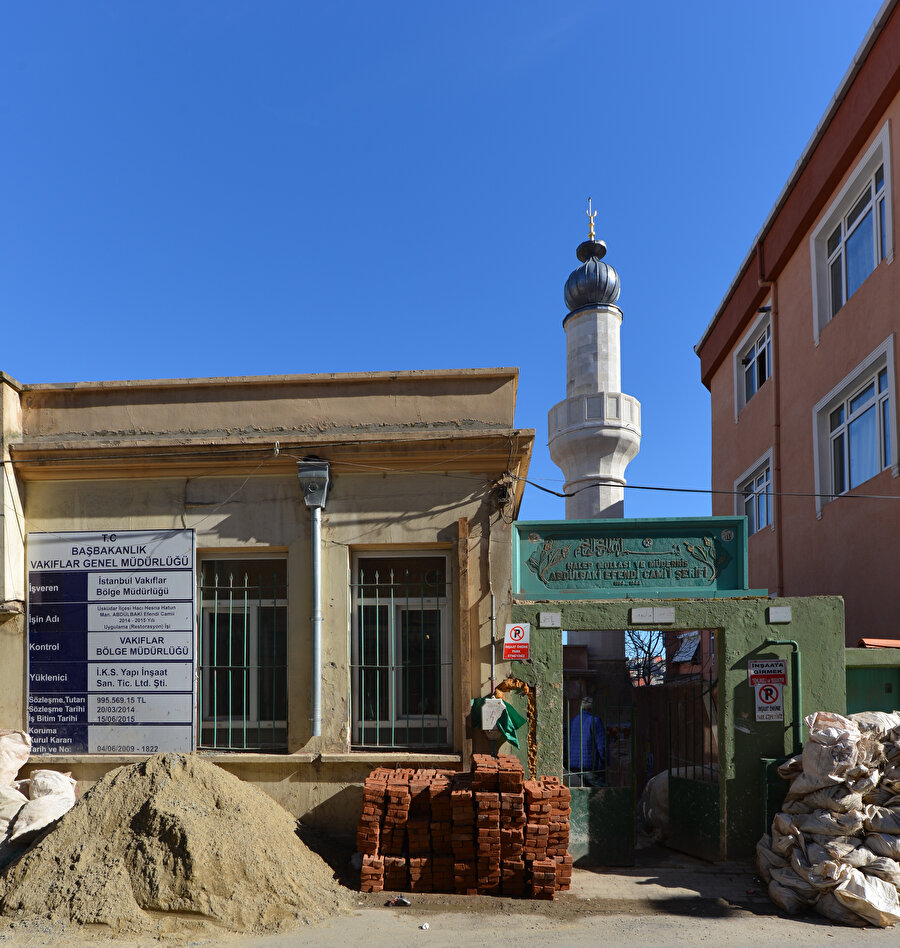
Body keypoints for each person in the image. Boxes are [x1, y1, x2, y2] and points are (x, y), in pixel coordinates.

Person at [567, 696, 606, 787]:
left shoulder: (572, 721)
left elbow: (566, 744)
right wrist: (605, 761)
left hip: (573, 767)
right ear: (592, 708)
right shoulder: (595, 721)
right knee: (601, 791)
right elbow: (602, 746)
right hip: (590, 767)